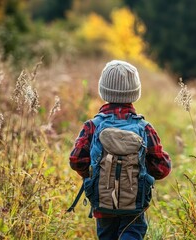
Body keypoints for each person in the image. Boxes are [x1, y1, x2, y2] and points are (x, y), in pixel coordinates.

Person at [69, 60, 172, 239]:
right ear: (135, 93)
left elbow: (76, 160)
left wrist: (94, 174)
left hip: (103, 204)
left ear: (103, 91)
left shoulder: (92, 126)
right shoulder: (144, 128)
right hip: (134, 205)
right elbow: (162, 168)